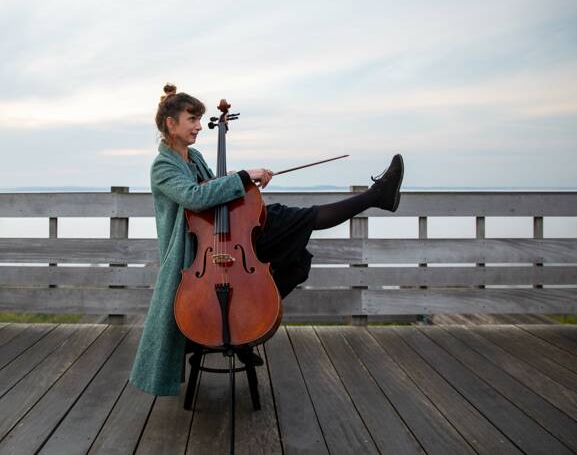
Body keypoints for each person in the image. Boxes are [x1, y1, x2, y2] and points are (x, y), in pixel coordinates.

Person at [129, 83, 403, 397]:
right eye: (192, 119)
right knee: (298, 219)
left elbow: (215, 184)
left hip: (227, 236)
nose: (198, 127)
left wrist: (244, 178)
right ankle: (375, 196)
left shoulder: (195, 156)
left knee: (298, 259)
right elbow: (194, 196)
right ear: (170, 124)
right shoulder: (163, 166)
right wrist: (243, 177)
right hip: (196, 253)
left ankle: (242, 329)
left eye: (199, 120)